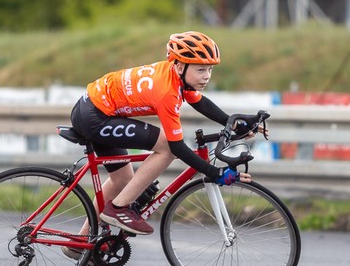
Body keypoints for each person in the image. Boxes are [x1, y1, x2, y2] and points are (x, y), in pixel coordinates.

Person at [68, 30, 261, 238]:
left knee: (122, 179)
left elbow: (200, 103)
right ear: (180, 66)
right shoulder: (167, 92)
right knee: (166, 148)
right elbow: (177, 146)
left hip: (92, 108)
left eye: (210, 70)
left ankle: (80, 242)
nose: (206, 76)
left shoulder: (177, 76)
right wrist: (216, 173)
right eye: (200, 70)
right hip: (94, 117)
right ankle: (119, 209)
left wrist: (234, 125)